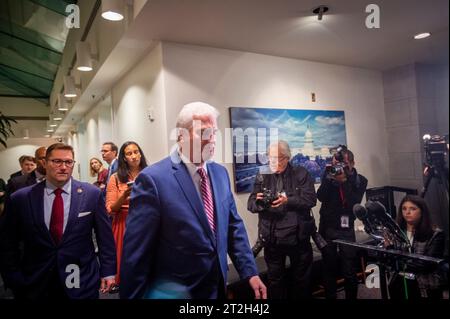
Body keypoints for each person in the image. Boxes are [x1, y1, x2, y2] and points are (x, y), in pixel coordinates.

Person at [120, 102, 266, 299]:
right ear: (181, 135)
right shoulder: (153, 180)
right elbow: (136, 255)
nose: (212, 140)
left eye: (214, 132)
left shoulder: (220, 174)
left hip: (218, 288)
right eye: (204, 133)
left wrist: (250, 272)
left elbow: (233, 227)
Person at [0, 143, 116, 299]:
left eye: (68, 162)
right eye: (57, 161)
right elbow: (8, 241)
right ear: (45, 163)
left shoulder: (91, 194)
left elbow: (105, 237)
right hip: (35, 279)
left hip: (79, 276)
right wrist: (12, 276)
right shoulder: (21, 198)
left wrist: (108, 272)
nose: (63, 167)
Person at [247, 140, 317, 299]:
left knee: (301, 282)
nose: (272, 162)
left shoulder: (301, 173)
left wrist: (288, 200)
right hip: (272, 239)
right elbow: (250, 204)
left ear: (287, 158)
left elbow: (311, 200)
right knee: (275, 282)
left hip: (298, 238)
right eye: (269, 157)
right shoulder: (262, 174)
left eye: (276, 158)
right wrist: (258, 203)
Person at [317, 146, 367, 299]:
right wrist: (329, 179)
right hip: (328, 226)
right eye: (335, 163)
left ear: (352, 163)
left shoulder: (360, 180)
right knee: (329, 268)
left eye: (342, 163)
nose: (338, 167)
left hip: (346, 227)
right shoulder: (329, 174)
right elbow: (320, 197)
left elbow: (353, 203)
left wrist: (344, 182)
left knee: (349, 269)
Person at [106, 141, 148, 290]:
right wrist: (124, 195)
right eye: (129, 153)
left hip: (147, 220)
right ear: (123, 158)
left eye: (136, 152)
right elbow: (110, 208)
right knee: (127, 262)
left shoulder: (151, 174)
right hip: (124, 221)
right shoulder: (115, 178)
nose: (134, 156)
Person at [388, 195, 446, 299]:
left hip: (424, 284)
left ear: (422, 211)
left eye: (413, 209)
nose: (407, 212)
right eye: (404, 208)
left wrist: (397, 263)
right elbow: (388, 258)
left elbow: (427, 265)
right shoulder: (395, 232)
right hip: (399, 280)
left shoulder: (436, 234)